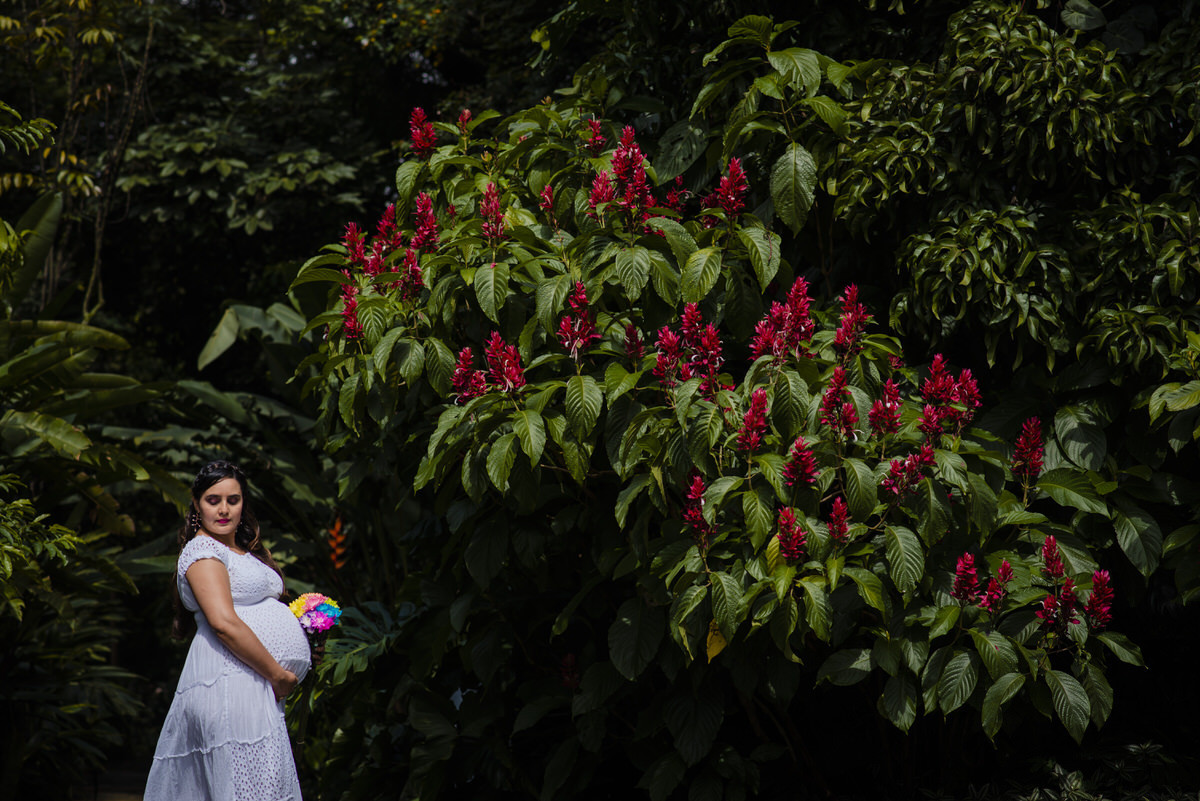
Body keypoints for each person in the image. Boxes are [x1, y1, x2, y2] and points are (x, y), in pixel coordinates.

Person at [144, 460, 311, 801]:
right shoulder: (203, 551)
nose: (223, 509)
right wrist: (278, 675)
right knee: (247, 788)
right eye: (212, 500)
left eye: (233, 500)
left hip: (250, 684)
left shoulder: (240, 552)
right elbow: (223, 623)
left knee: (261, 785)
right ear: (196, 503)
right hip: (230, 681)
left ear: (243, 503)